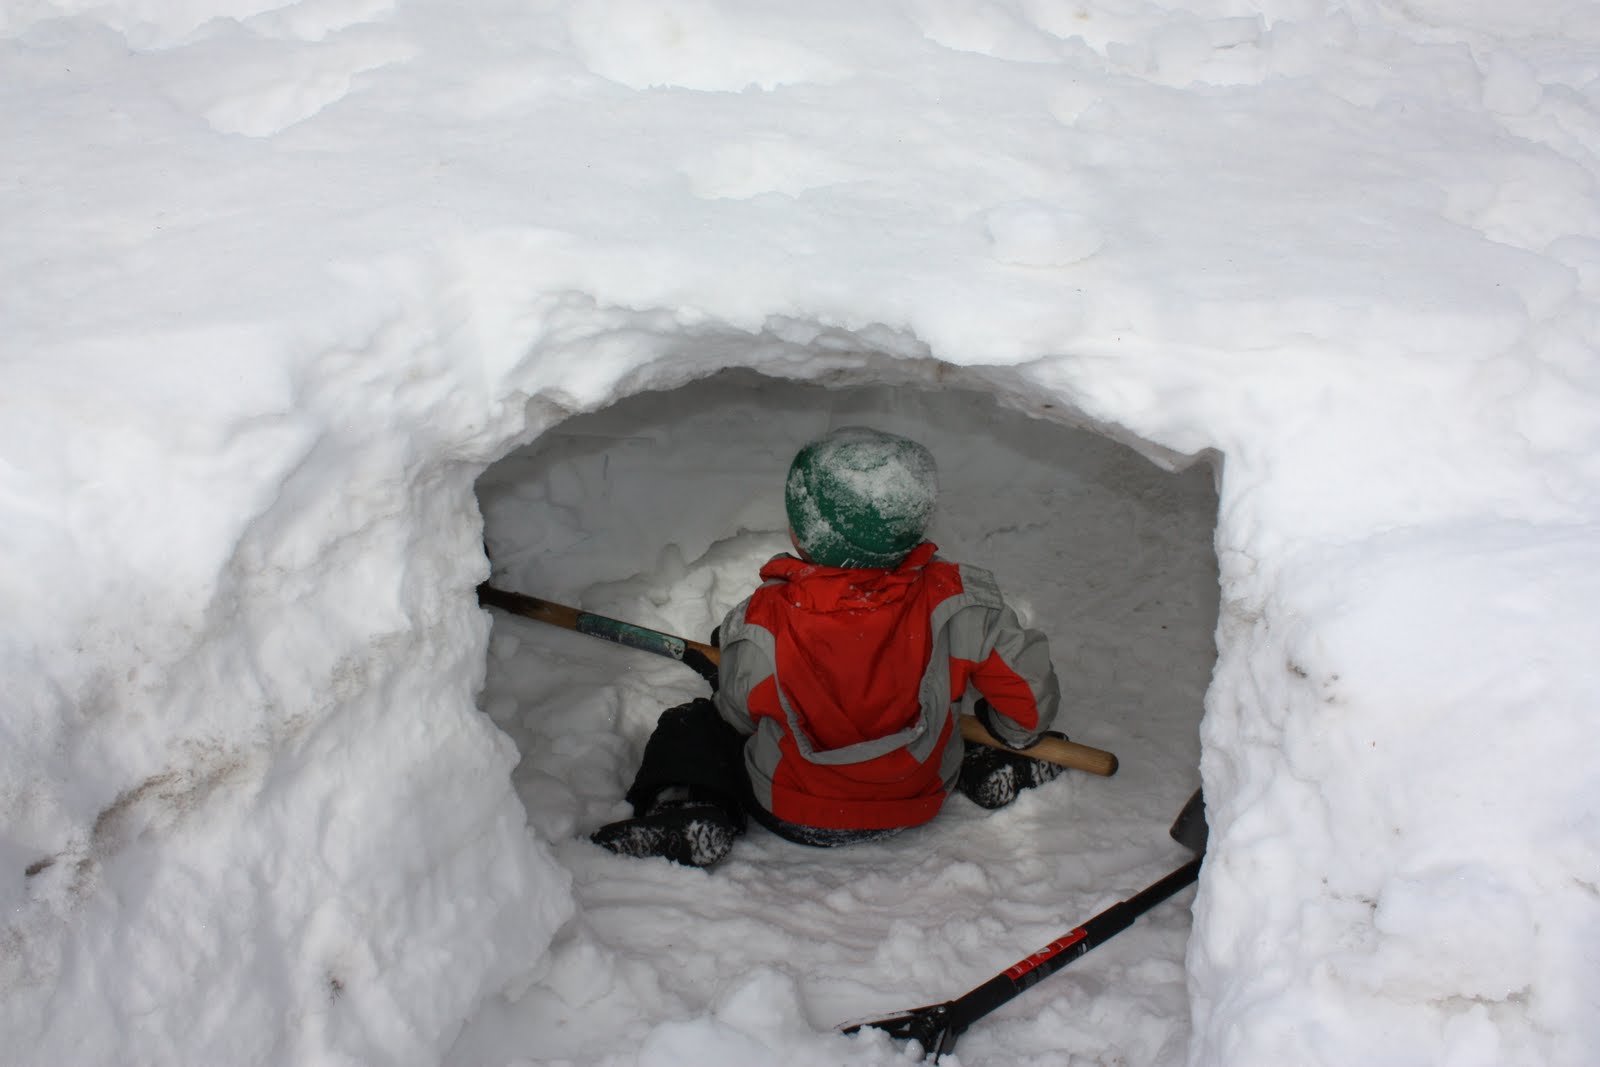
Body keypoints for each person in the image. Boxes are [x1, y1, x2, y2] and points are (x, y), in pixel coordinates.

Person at [591, 426, 1065, 867]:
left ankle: (689, 805)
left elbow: (737, 715)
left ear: (805, 535)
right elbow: (1027, 702)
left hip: (795, 810)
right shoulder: (960, 602)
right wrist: (1009, 730)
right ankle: (985, 764)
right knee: (946, 716)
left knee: (695, 723)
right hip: (918, 798)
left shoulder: (763, 621)